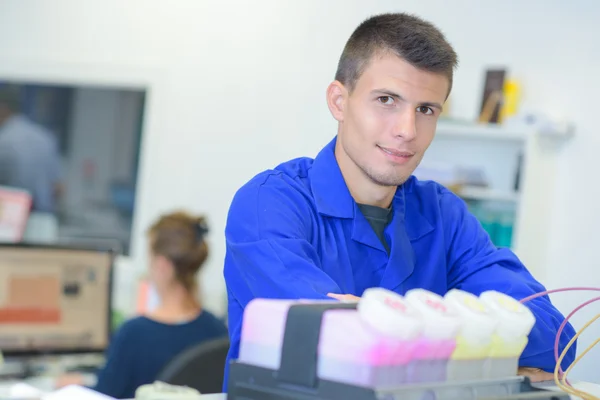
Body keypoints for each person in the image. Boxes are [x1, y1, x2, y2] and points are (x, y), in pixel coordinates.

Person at [223, 12, 576, 389]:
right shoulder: (269, 205)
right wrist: (479, 353)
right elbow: (335, 339)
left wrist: (405, 331)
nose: (407, 131)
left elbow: (557, 340)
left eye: (426, 110)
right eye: (387, 100)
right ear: (339, 101)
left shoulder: (444, 215)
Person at [58, 211, 228, 399]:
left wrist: (77, 385)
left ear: (162, 265)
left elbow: (102, 395)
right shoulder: (217, 330)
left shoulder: (134, 334)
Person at [0, 85, 64, 214]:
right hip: (42, 220)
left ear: (3, 108)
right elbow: (58, 187)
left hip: (11, 218)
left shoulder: (4, 140)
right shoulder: (44, 136)